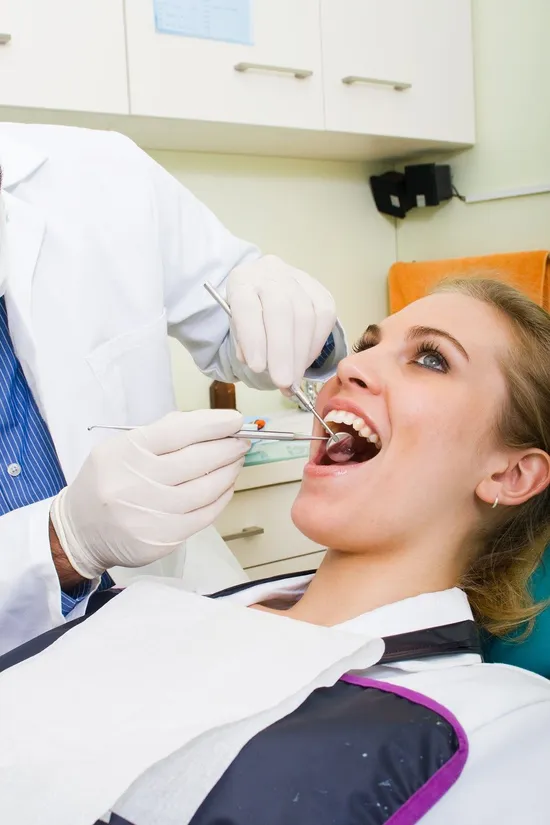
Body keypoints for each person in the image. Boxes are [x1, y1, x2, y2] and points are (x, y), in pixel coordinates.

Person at [1, 277, 549, 825]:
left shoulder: (485, 726)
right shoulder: (157, 604)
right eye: (366, 344)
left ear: (512, 473)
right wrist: (67, 541)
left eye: (431, 359)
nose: (348, 368)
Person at [0, 122, 345, 654]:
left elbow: (236, 327)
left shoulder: (103, 173)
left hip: (178, 612)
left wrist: (299, 329)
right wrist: (60, 543)